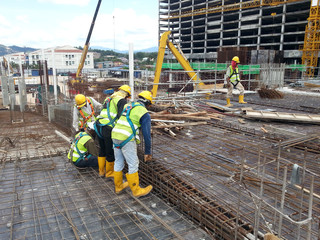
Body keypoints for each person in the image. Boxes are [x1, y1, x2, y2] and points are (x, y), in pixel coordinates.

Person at [111, 90, 153, 197]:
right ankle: (136, 190)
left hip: (115, 134)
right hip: (126, 138)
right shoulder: (144, 113)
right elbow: (147, 136)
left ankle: (118, 186)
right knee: (133, 164)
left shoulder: (128, 106)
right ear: (147, 103)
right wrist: (147, 152)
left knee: (119, 161)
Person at [94, 85, 131, 178]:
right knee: (110, 151)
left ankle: (101, 171)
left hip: (99, 125)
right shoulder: (121, 100)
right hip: (108, 127)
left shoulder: (109, 98)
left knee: (102, 150)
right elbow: (120, 116)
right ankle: (109, 173)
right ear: (126, 95)